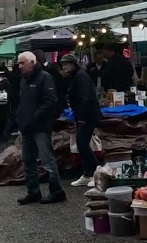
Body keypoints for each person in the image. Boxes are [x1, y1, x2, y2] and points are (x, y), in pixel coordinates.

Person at [15, 51, 65, 205]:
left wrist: (34, 117)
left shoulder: (45, 77)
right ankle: (33, 192)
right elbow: (23, 101)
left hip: (40, 127)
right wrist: (20, 118)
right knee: (27, 161)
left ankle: (56, 192)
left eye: (22, 63)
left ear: (31, 62)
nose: (20, 66)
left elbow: (50, 101)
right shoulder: (24, 79)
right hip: (27, 127)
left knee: (47, 160)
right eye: (19, 63)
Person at [62, 54, 103, 186]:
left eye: (67, 64)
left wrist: (81, 117)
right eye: (63, 64)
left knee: (82, 144)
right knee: (82, 144)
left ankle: (95, 171)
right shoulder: (77, 76)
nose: (64, 67)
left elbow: (85, 98)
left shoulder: (80, 76)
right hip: (84, 116)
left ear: (74, 64)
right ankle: (89, 173)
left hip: (87, 116)